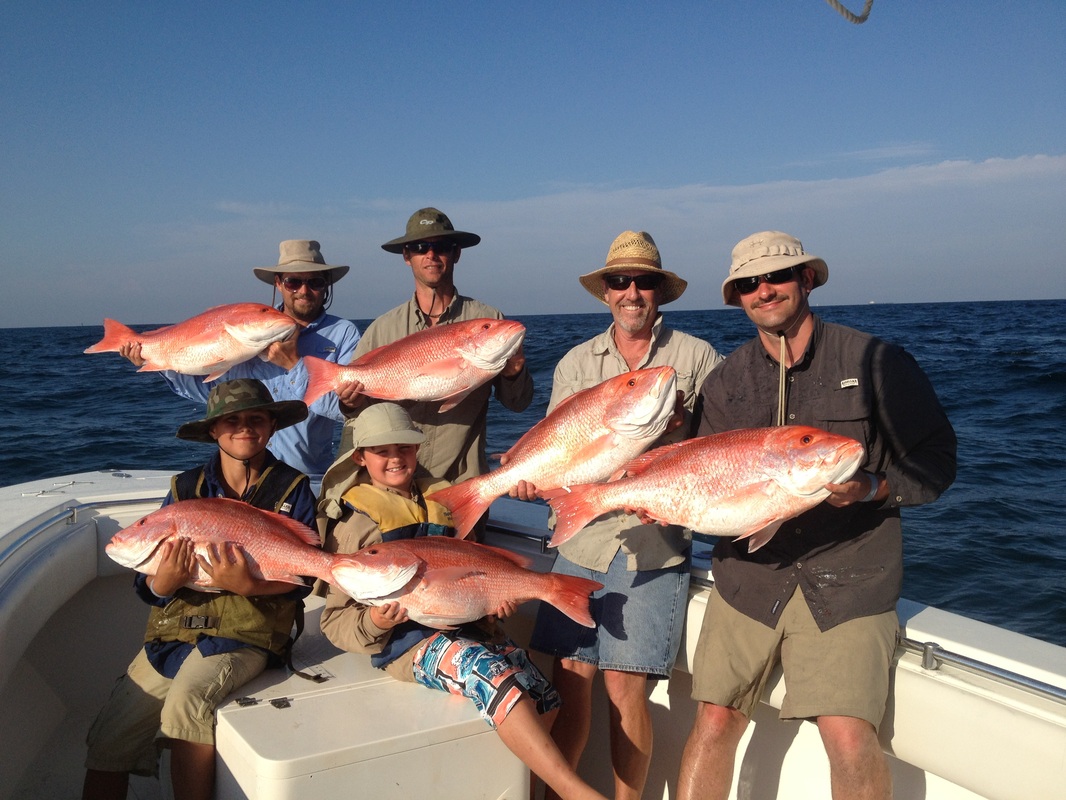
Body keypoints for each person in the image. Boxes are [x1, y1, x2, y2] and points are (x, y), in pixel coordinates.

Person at [677, 231, 957, 800]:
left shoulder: (875, 361)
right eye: (749, 284)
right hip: (749, 579)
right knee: (711, 721)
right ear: (737, 298)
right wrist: (659, 501)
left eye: (777, 276)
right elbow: (700, 479)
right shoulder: (726, 381)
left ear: (806, 279)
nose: (764, 290)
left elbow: (937, 461)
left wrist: (874, 487)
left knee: (851, 736)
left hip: (851, 577)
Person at [515, 230, 724, 800]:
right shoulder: (577, 361)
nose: (632, 292)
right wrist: (535, 481)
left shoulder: (698, 357)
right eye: (620, 281)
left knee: (627, 688)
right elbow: (555, 447)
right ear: (605, 292)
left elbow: (723, 453)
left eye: (645, 282)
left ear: (662, 292)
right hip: (580, 537)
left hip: (651, 539)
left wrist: (680, 431)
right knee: (571, 680)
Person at [316, 402, 607, 800]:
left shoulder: (445, 498)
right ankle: (579, 794)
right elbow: (334, 621)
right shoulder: (355, 527)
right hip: (410, 646)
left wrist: (495, 601)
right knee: (490, 673)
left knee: (544, 695)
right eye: (381, 451)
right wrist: (377, 624)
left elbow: (474, 566)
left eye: (403, 447)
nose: (395, 457)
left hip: (472, 627)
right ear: (360, 458)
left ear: (417, 450)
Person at [83, 379, 318, 800]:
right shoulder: (182, 490)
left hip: (249, 634)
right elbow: (147, 586)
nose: (244, 428)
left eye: (256, 419)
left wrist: (251, 585)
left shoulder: (293, 487)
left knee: (185, 704)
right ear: (213, 429)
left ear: (271, 426)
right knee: (110, 734)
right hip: (174, 636)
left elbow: (306, 579)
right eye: (231, 420)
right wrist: (161, 583)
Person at [121, 239, 361, 482]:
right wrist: (154, 360)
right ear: (279, 284)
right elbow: (210, 393)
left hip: (308, 478)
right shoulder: (247, 328)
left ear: (326, 286)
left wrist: (293, 365)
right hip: (241, 480)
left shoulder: (343, 333)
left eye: (315, 282)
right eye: (293, 281)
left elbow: (346, 411)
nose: (303, 290)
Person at [341, 207, 532, 488]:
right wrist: (348, 401)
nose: (431, 255)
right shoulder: (382, 328)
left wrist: (515, 374)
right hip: (393, 486)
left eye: (441, 247)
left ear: (456, 253)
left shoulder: (489, 319)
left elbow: (518, 404)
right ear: (407, 256)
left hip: (461, 482)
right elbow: (360, 414)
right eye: (420, 247)